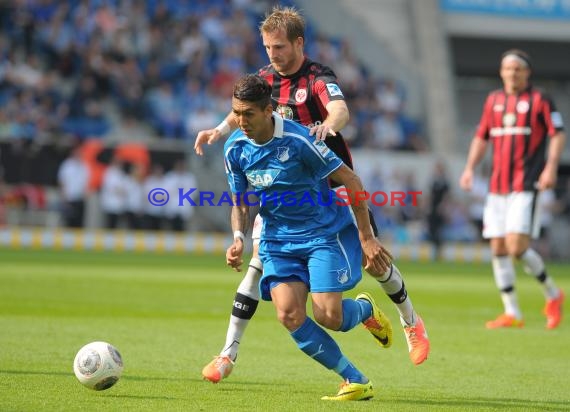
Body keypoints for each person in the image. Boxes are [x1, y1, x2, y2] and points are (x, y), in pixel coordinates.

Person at [197, 6, 429, 383]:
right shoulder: (262, 82)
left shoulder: (318, 77)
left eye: (279, 47)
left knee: (376, 260)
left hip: (330, 184)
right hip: (280, 188)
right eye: (268, 47)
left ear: (298, 43)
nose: (272, 54)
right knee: (259, 269)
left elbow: (340, 109)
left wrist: (326, 127)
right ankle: (228, 353)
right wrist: (218, 132)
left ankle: (411, 322)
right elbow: (240, 110)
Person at [223, 74, 393, 400]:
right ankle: (354, 378)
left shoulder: (300, 141)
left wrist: (367, 237)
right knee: (288, 314)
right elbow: (240, 202)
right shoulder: (235, 149)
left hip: (322, 234)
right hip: (277, 240)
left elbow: (351, 180)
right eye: (236, 113)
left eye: (248, 114)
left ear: (268, 110)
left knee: (329, 316)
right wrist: (238, 238)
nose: (240, 121)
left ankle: (365, 311)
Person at [459, 49, 566, 330]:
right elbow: (481, 137)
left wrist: (551, 166)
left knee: (517, 247)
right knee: (498, 247)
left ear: (527, 72)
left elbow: (557, 133)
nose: (512, 73)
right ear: (501, 72)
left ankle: (553, 294)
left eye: (517, 68)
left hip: (525, 185)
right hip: (497, 187)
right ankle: (512, 312)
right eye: (507, 68)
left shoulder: (540, 99)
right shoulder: (493, 101)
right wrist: (470, 168)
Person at [57, 144, 89, 228]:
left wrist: (85, 194)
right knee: (69, 222)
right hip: (70, 198)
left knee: (79, 223)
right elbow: (62, 181)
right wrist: (63, 196)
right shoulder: (67, 165)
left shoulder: (84, 166)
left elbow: (86, 181)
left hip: (80, 198)